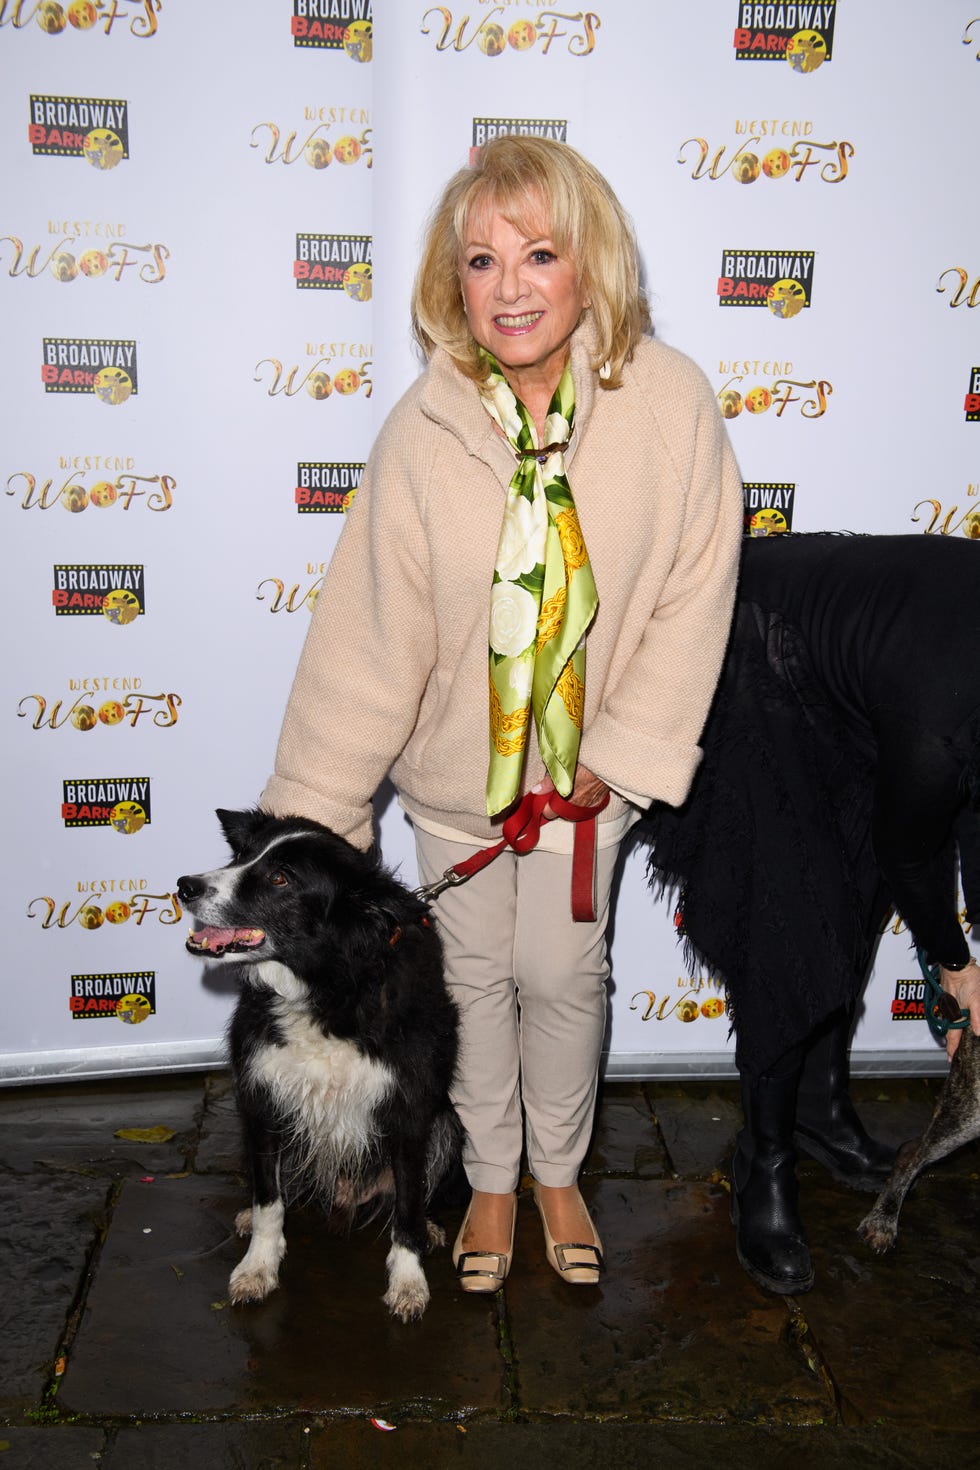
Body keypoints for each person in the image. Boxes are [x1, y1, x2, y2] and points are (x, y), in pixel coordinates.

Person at [260, 135, 743, 1293]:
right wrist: (312, 824)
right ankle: (486, 1179)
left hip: (584, 787)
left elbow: (694, 593)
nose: (510, 287)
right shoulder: (421, 432)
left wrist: (619, 751)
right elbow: (370, 636)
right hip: (452, 789)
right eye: (481, 261)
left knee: (562, 975)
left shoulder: (668, 403)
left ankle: (557, 1175)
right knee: (470, 987)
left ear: (591, 265)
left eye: (539, 254)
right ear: (453, 283)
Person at [642, 531, 980, 1294]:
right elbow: (915, 847)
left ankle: (821, 1113)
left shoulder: (950, 707)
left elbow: (971, 803)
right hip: (757, 648)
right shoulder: (945, 706)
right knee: (790, 925)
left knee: (857, 895)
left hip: (867, 687)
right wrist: (956, 970)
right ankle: (763, 1161)